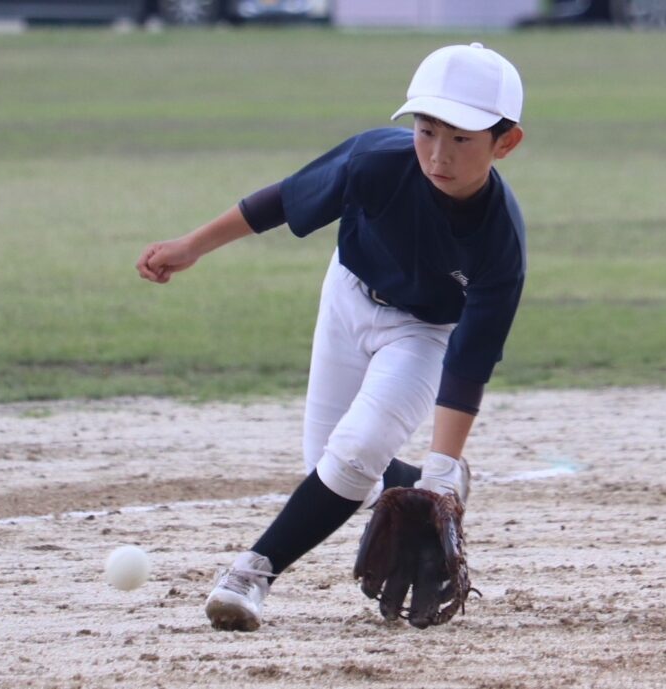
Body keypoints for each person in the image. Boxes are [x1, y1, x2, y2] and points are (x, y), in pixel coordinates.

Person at [135, 42, 526, 632]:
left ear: (506, 142)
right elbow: (284, 200)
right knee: (328, 461)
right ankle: (407, 485)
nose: (439, 154)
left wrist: (444, 468)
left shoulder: (500, 241)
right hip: (347, 295)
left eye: (463, 138)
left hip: (423, 334)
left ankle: (251, 574)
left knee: (354, 451)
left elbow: (470, 360)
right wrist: (191, 245)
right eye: (426, 130)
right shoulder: (377, 160)